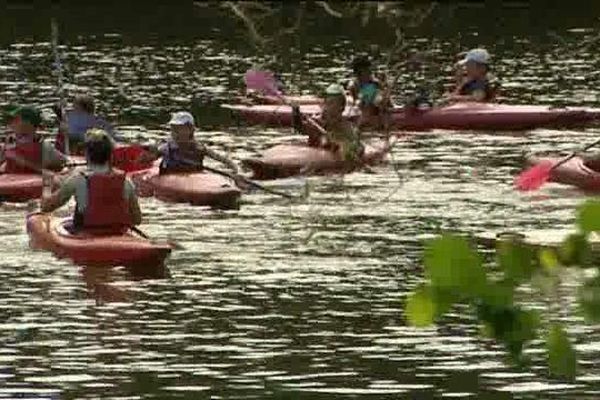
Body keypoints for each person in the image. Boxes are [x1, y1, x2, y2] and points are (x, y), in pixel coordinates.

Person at [41, 129, 141, 234]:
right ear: (111, 155)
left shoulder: (77, 179)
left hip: (86, 235)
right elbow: (137, 219)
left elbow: (46, 207)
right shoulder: (126, 181)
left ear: (87, 155)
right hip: (118, 234)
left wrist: (47, 186)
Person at [137, 111, 242, 177]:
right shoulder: (165, 147)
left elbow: (224, 160)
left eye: (180, 129)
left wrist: (237, 172)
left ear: (191, 130)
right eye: (173, 129)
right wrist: (149, 152)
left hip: (194, 178)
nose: (175, 133)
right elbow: (141, 161)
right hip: (170, 178)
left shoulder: (200, 148)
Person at [293, 84, 363, 162]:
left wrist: (341, 146)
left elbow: (359, 148)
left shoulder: (347, 127)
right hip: (314, 159)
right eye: (326, 102)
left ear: (341, 107)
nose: (326, 107)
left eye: (331, 103)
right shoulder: (316, 122)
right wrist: (296, 115)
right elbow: (301, 129)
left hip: (331, 169)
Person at [1, 105, 67, 173]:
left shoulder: (45, 148)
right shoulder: (9, 143)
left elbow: (66, 163)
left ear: (28, 122)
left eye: (15, 119)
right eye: (11, 119)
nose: (11, 122)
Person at [347, 55, 392, 129]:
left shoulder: (375, 83)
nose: (370, 74)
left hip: (377, 109)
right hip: (364, 111)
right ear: (359, 73)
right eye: (367, 71)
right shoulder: (354, 86)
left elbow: (387, 101)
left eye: (369, 71)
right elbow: (355, 104)